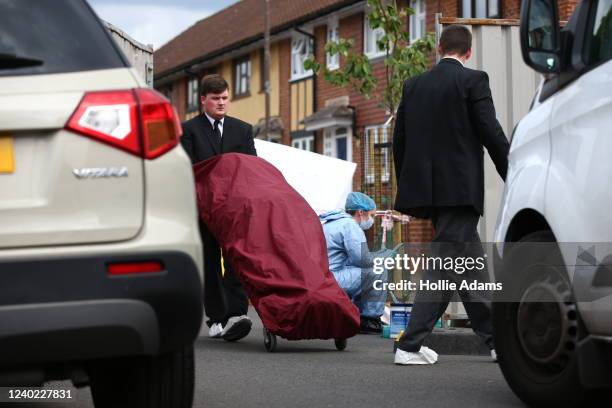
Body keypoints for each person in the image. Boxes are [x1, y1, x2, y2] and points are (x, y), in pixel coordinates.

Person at [392, 25, 510, 364]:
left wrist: (411, 187)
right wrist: (514, 175)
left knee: (469, 265)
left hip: (429, 192)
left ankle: (496, 341)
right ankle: (409, 345)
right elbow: (490, 131)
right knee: (444, 263)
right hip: (460, 189)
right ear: (468, 52)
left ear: (439, 47)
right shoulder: (474, 80)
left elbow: (400, 140)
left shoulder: (413, 85)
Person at [181, 74, 257, 341]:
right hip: (203, 210)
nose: (221, 103)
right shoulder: (188, 130)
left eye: (225, 98)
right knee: (210, 264)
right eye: (215, 99)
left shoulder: (243, 130)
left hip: (234, 210)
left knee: (236, 260)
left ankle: (236, 314)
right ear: (203, 100)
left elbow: (251, 169)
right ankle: (215, 318)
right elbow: (188, 170)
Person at [319, 192, 393, 334]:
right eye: (371, 215)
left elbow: (353, 259)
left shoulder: (332, 223)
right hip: (332, 278)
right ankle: (368, 320)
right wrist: (383, 258)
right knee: (378, 271)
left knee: (365, 273)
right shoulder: (350, 225)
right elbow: (363, 260)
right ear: (360, 212)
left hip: (324, 275)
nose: (371, 220)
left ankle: (356, 315)